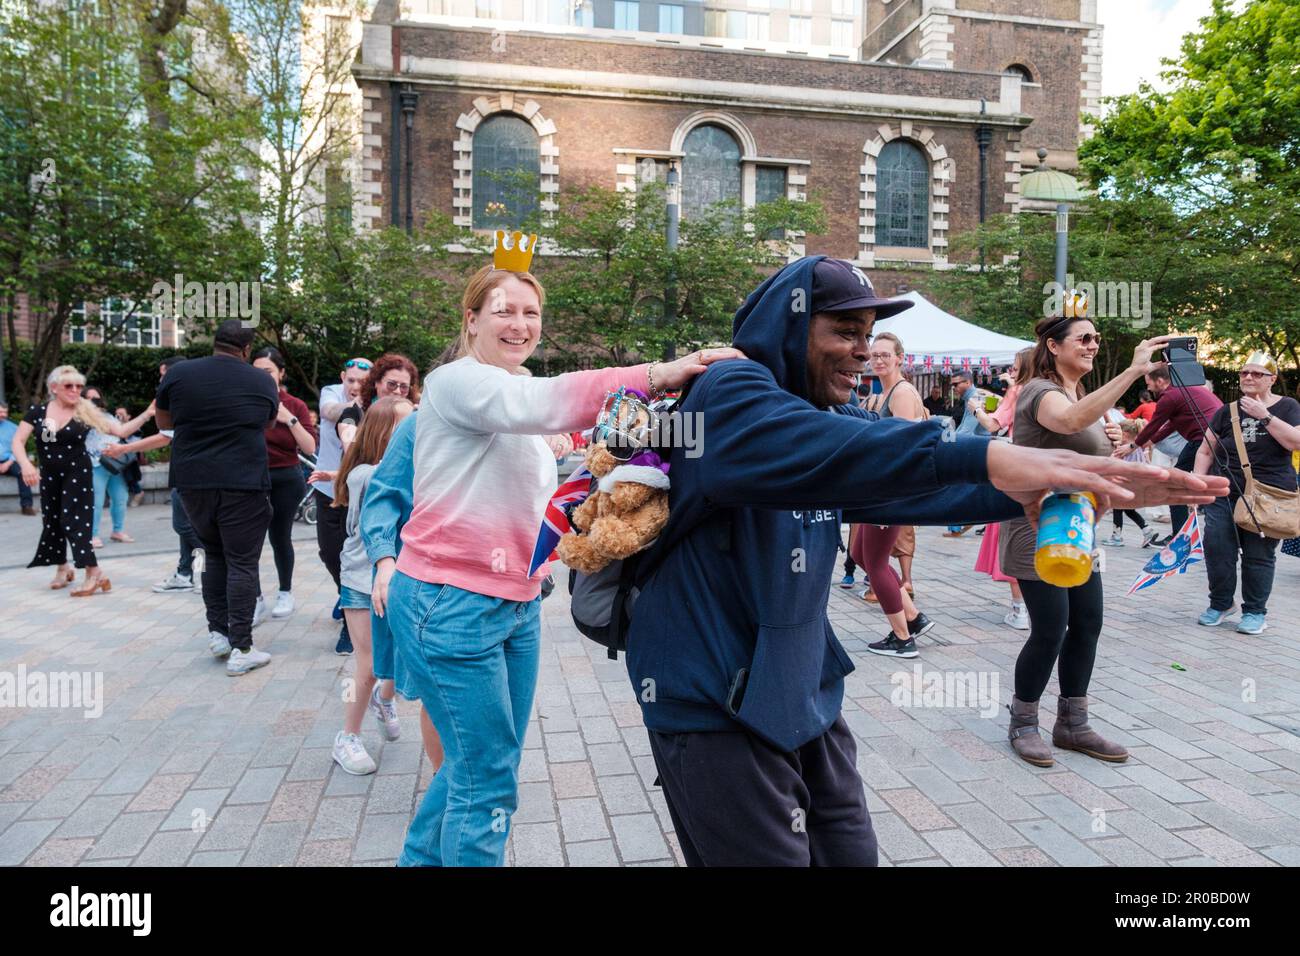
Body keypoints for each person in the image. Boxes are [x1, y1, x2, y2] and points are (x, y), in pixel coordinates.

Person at [621, 258, 1220, 866]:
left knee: (853, 855)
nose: (862, 351)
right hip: (712, 702)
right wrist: (986, 460)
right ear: (788, 329)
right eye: (844, 332)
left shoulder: (826, 411)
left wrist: (1083, 484)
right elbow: (844, 449)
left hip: (800, 689)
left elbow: (904, 481)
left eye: (867, 335)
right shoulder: (731, 390)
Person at [385, 246, 741, 867]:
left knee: (479, 765)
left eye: (531, 312)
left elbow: (580, 431)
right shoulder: (458, 382)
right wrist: (663, 372)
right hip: (452, 602)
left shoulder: (516, 389)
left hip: (515, 602)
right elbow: (547, 403)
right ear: (470, 319)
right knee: (486, 779)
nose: (519, 324)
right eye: (503, 311)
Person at [998, 317, 1220, 767]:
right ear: (1054, 346)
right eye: (1084, 338)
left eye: (1096, 338)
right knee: (1050, 627)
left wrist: (1113, 443)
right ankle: (1023, 722)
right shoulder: (1042, 391)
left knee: (1087, 622)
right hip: (1036, 523)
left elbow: (1081, 443)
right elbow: (1065, 421)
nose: (1094, 345)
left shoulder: (1081, 394)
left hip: (1079, 524)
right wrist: (1134, 370)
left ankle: (1073, 723)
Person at [156, 320, 279, 675]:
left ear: (215, 343)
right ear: (245, 350)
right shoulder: (261, 380)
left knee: (212, 554)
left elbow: (165, 423)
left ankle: (219, 634)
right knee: (242, 562)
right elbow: (267, 424)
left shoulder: (179, 374)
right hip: (244, 481)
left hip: (193, 481)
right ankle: (242, 646)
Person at [10, 366, 153, 595]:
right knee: (53, 521)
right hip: (49, 475)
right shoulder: (40, 412)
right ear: (54, 388)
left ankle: (93, 572)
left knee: (73, 520)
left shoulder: (85, 411)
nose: (75, 390)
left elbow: (121, 430)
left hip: (77, 473)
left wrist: (147, 413)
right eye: (69, 386)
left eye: (78, 386)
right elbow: (18, 441)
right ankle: (63, 568)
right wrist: (26, 465)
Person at [328, 396, 415, 774]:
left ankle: (385, 698)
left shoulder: (393, 468)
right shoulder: (367, 473)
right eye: (405, 426)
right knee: (367, 664)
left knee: (391, 656)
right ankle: (347, 736)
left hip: (403, 579)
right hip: (364, 579)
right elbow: (377, 479)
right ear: (383, 433)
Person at [362, 410, 445, 777]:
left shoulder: (522, 414)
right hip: (430, 581)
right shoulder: (422, 424)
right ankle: (447, 792)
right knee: (441, 696)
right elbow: (382, 495)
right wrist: (384, 561)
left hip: (510, 589)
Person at [1194, 352, 1300, 634]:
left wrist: (1263, 416)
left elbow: (1295, 442)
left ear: (1272, 379)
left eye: (1256, 374)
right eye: (1244, 373)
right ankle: (1220, 603)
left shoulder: (1288, 406)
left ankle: (1254, 612)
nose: (1248, 378)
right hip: (1224, 489)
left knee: (1258, 555)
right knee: (1217, 548)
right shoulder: (1226, 411)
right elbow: (1206, 450)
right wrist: (1197, 484)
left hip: (1269, 492)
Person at [850, 331, 934, 657]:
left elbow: (904, 448)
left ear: (900, 358)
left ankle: (902, 638)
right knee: (859, 554)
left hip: (891, 492)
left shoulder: (902, 393)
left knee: (875, 563)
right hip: (878, 491)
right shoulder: (880, 394)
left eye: (886, 354)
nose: (879, 360)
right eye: (875, 355)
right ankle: (913, 616)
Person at [103, 356, 205, 594]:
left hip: (191, 472)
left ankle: (208, 570)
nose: (161, 379)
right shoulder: (196, 392)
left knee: (186, 526)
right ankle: (185, 573)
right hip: (189, 469)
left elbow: (165, 436)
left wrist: (124, 448)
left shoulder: (181, 397)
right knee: (185, 526)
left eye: (163, 373)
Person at [1115, 364, 1222, 543]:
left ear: (1160, 380)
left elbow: (1155, 425)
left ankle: (1179, 537)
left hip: (1203, 440)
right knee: (1213, 484)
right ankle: (1191, 534)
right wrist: (1145, 443)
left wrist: (1132, 446)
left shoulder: (1170, 397)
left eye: (1149, 383)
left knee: (1174, 482)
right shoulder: (1184, 391)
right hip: (1219, 438)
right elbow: (1169, 426)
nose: (1148, 388)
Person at [251, 347, 318, 620]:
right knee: (249, 542)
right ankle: (254, 598)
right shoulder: (244, 401)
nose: (262, 376)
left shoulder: (295, 405)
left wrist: (287, 418)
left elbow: (310, 445)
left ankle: (285, 592)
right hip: (251, 479)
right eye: (256, 371)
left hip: (286, 478)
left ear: (280, 373)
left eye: (267, 371)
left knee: (280, 538)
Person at [314, 357, 373, 655]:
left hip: (361, 490)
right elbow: (328, 411)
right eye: (350, 380)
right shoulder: (331, 393)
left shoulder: (377, 403)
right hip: (327, 487)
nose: (355, 386)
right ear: (342, 378)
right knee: (329, 551)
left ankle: (351, 627)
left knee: (355, 556)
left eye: (362, 382)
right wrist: (356, 409)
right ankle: (344, 593)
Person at [974, 346, 1033, 629]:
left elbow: (992, 424)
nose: (1011, 370)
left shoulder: (1019, 390)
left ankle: (1020, 609)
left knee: (1012, 540)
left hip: (1016, 469)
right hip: (1046, 474)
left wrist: (975, 408)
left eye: (1014, 365)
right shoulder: (1050, 391)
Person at [84, 387, 133, 547]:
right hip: (95, 463)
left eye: (97, 399)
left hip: (115, 463)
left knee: (120, 498)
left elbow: (121, 433)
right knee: (96, 501)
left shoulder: (109, 416)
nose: (94, 402)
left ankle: (117, 531)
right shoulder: (80, 418)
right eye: (90, 399)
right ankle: (93, 534)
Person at [1105, 418, 1160, 548]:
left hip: (1125, 483)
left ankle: (1116, 536)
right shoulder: (1139, 449)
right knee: (1129, 510)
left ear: (1124, 434)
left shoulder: (1124, 450)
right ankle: (1147, 531)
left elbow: (1115, 464)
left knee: (1117, 507)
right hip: (1136, 485)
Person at [0, 402, 36, 515]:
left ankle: (27, 506)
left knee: (23, 472)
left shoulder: (13, 428)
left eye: (5, 412)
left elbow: (19, 447)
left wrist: (8, 463)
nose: (3, 414)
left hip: (9, 461)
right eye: (0, 412)